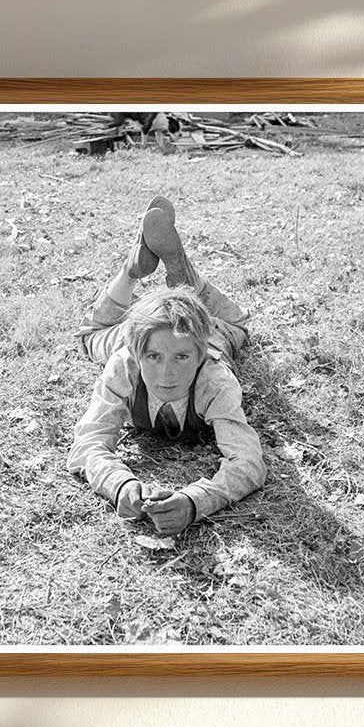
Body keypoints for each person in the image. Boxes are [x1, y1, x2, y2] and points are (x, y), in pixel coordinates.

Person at [68, 196, 267, 536]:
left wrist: (195, 501)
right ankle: (133, 268)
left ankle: (184, 276)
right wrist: (119, 484)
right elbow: (87, 442)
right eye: (154, 359)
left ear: (199, 355)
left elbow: (248, 461)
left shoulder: (214, 378)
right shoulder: (124, 364)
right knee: (90, 336)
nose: (166, 374)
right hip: (136, 334)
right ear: (137, 353)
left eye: (182, 358)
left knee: (237, 326)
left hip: (210, 333)